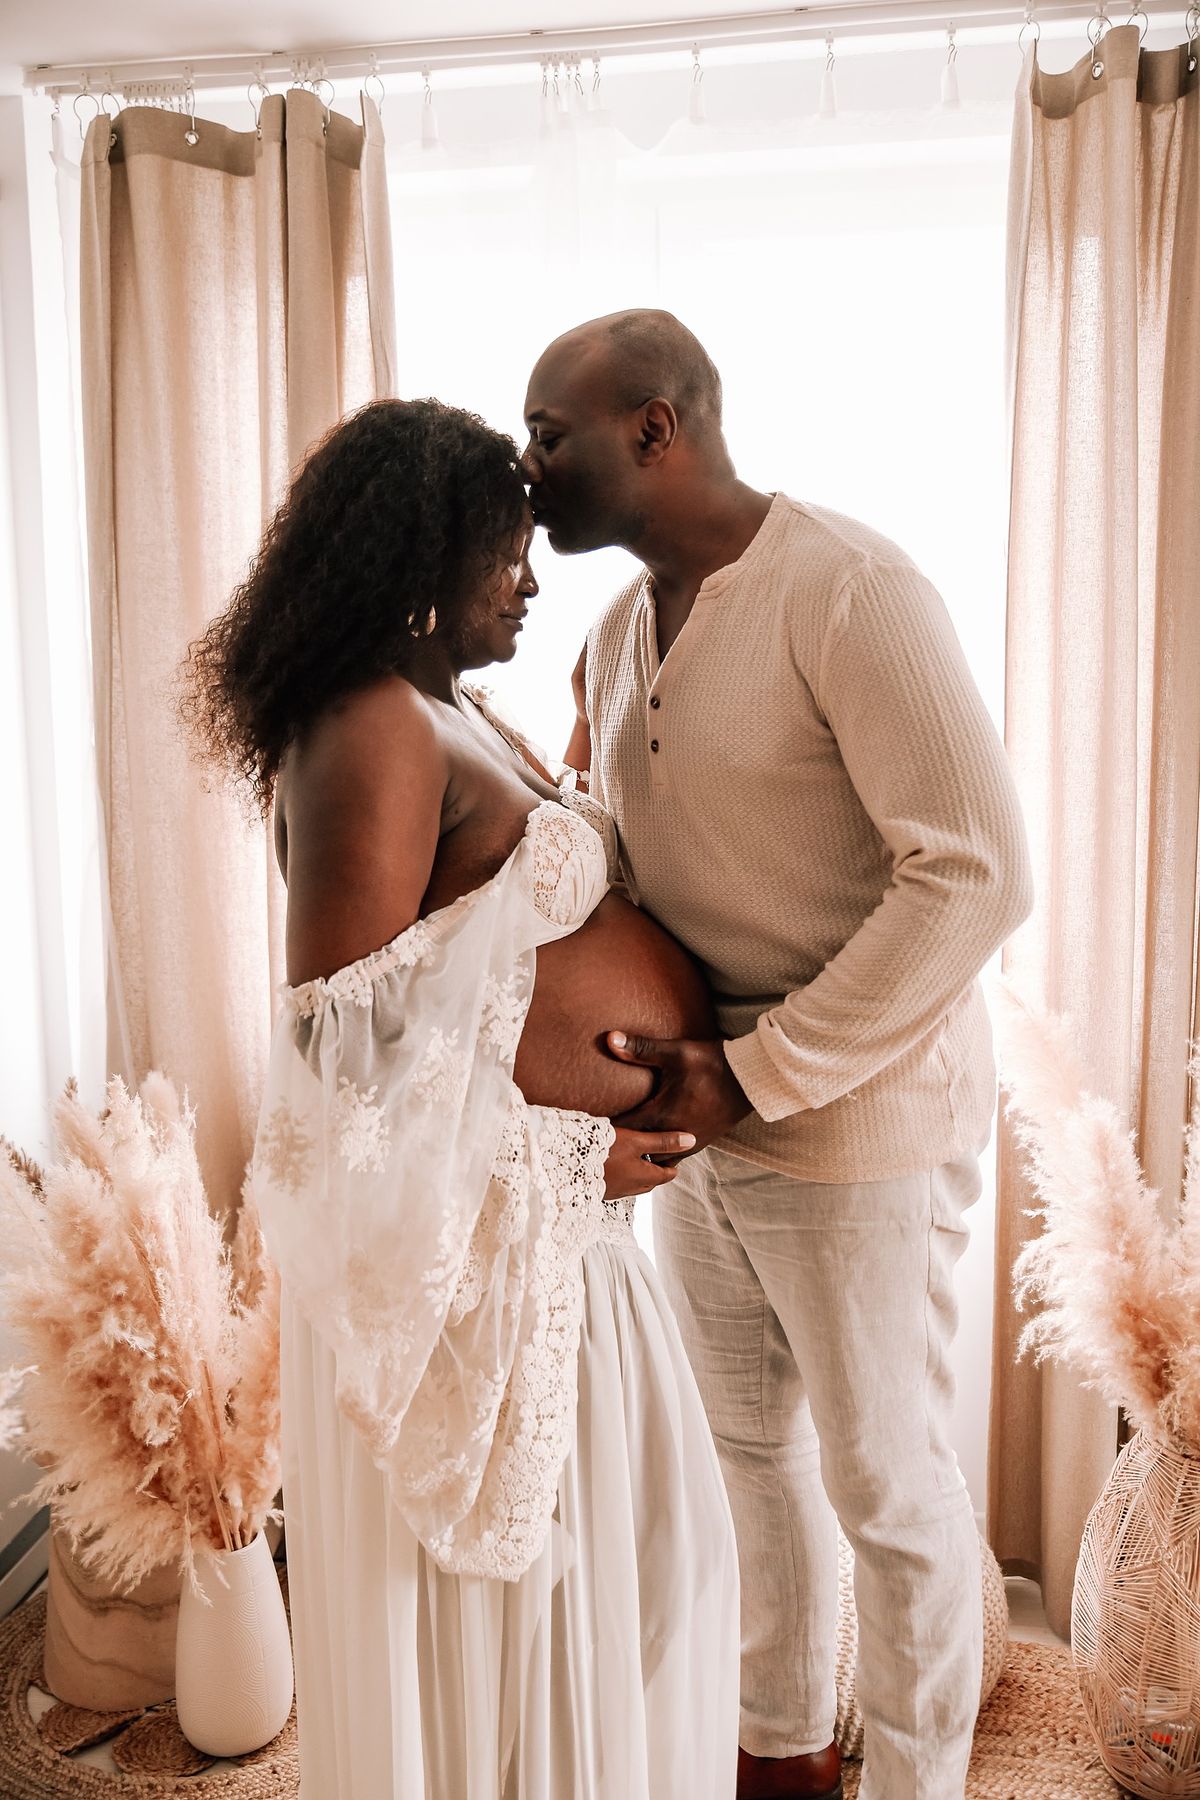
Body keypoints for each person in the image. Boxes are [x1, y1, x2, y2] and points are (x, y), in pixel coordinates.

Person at [182, 397, 739, 1800]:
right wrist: (565, 1159)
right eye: (505, 550)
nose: (530, 580)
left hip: (551, 1249)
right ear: (420, 558)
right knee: (535, 1640)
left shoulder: (452, 708)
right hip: (490, 1251)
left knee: (641, 1582)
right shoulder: (370, 723)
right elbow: (343, 1071)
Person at [522, 311, 1034, 1800]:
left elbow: (979, 872)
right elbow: (634, 865)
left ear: (656, 427)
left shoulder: (853, 591)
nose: (526, 465)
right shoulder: (617, 635)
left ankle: (919, 1781)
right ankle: (783, 1752)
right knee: (749, 1460)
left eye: (548, 433)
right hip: (702, 1127)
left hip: (859, 1127)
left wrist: (758, 1073)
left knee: (890, 1491)